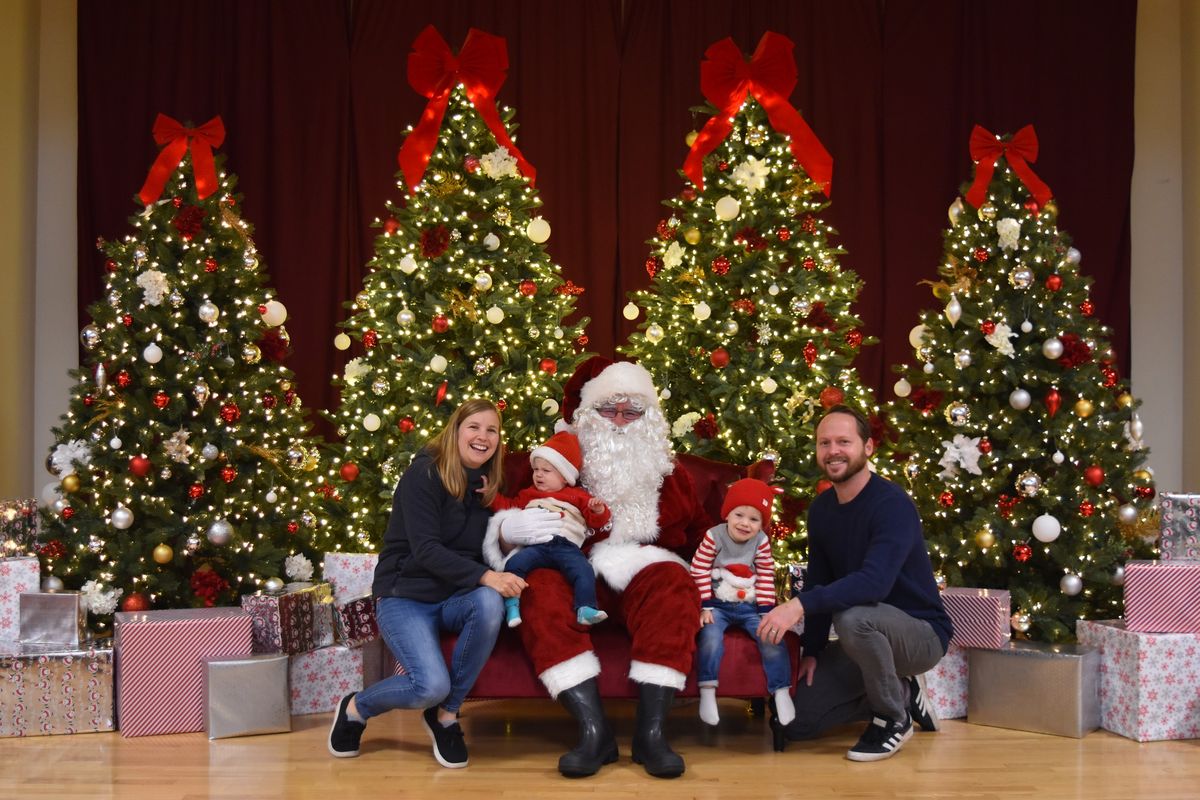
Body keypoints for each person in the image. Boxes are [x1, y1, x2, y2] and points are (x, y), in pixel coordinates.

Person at [483, 357, 711, 779]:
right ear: (589, 413)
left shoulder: (669, 472)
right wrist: (508, 530)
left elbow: (699, 538)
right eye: (609, 410)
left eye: (632, 411)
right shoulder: (559, 460)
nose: (620, 420)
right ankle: (594, 732)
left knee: (673, 580)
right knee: (536, 586)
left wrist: (709, 589)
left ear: (649, 417)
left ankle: (652, 734)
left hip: (643, 568)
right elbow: (519, 508)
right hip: (571, 565)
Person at [327, 398, 544, 768]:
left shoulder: (488, 485)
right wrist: (487, 576)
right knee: (429, 686)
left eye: (492, 430)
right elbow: (426, 550)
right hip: (406, 595)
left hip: (454, 596)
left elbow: (485, 548)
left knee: (490, 602)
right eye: (474, 427)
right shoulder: (424, 475)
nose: (483, 436)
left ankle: (446, 716)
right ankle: (355, 707)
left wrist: (508, 542)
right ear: (455, 431)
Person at [756, 404, 953, 762]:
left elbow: (874, 584)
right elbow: (818, 580)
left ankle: (893, 717)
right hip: (865, 637)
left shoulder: (892, 504)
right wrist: (812, 651)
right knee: (794, 723)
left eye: (844, 441)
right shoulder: (822, 510)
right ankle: (903, 691)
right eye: (824, 443)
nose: (833, 451)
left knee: (853, 616)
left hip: (920, 633)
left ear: (868, 448)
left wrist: (796, 606)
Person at [690, 478, 794, 728]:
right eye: (739, 515)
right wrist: (705, 605)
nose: (745, 524)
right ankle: (707, 690)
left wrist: (766, 612)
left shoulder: (761, 542)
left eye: (754, 519)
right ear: (727, 513)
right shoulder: (713, 536)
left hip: (750, 604)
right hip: (717, 602)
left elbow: (766, 574)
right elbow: (699, 568)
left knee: (770, 638)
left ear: (762, 524)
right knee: (711, 638)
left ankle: (781, 692)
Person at [488, 430, 611, 628]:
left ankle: (585, 608)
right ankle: (512, 606)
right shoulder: (529, 494)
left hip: (566, 546)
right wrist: (490, 497)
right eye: (536, 470)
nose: (538, 475)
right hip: (536, 545)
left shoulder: (577, 496)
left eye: (546, 471)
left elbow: (597, 522)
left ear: (565, 477)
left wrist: (598, 510)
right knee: (515, 564)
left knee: (583, 570)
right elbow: (509, 507)